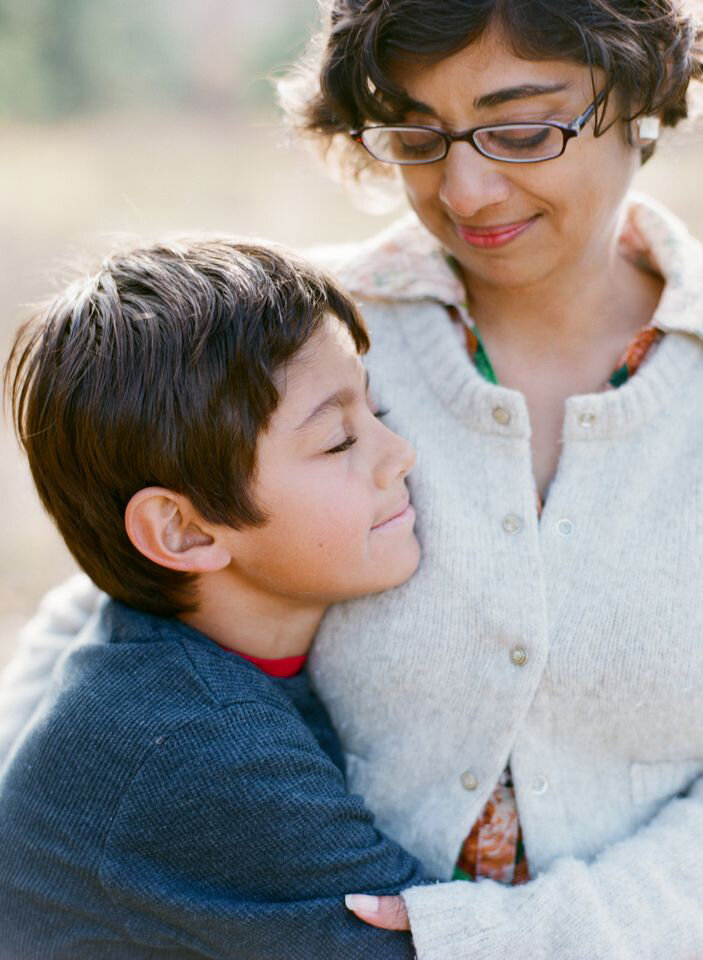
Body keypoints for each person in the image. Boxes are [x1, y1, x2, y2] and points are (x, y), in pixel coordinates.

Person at [2, 0, 703, 956]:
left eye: (522, 128)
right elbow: (118, 617)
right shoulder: (303, 338)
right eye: (417, 134)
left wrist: (506, 938)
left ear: (641, 93)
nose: (466, 191)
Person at [0, 238, 433, 959]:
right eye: (335, 440)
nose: (399, 453)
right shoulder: (196, 742)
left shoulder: (169, 663)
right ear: (183, 530)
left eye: (377, 408)